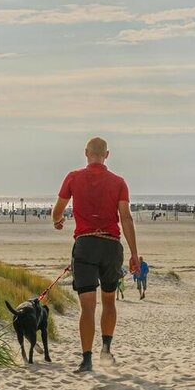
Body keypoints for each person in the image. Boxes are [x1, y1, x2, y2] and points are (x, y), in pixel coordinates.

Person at [51, 137, 140, 373]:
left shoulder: (73, 177)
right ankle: (106, 350)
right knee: (109, 301)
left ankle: (86, 359)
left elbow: (56, 212)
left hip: (85, 245)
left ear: (86, 153)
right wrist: (134, 254)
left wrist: (58, 222)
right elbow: (126, 218)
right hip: (111, 246)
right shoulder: (119, 182)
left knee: (87, 307)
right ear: (107, 155)